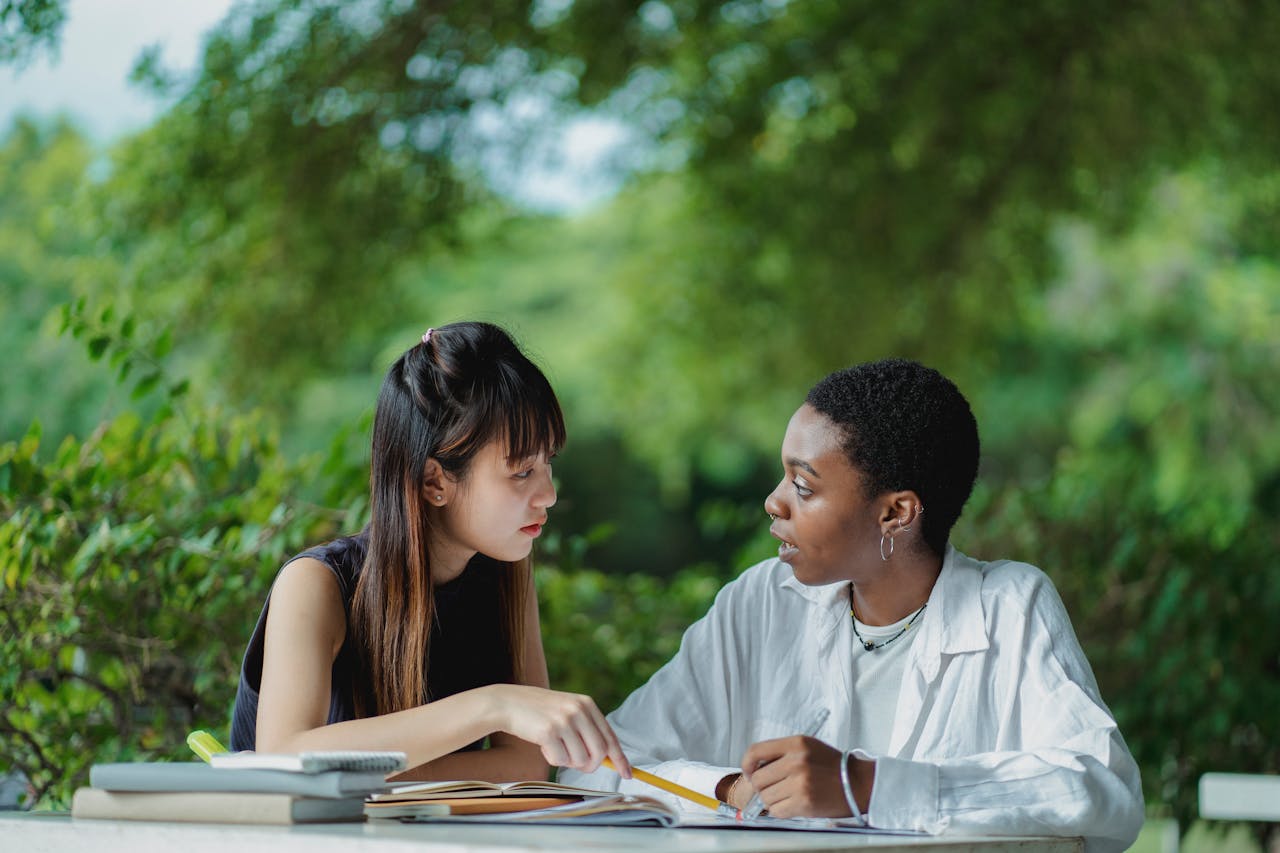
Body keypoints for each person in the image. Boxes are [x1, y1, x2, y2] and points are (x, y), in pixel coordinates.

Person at [562, 358, 1143, 851]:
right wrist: (730, 788)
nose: (773, 502)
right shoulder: (761, 603)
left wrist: (866, 786)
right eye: (783, 478)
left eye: (804, 487)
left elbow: (1103, 792)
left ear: (896, 513)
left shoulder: (1009, 605)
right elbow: (594, 766)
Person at [229, 321, 631, 783]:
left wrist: (365, 772)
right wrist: (492, 706)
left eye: (548, 464)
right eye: (521, 472)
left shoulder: (505, 573)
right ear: (434, 481)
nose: (549, 494)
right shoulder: (316, 584)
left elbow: (526, 765)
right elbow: (283, 758)